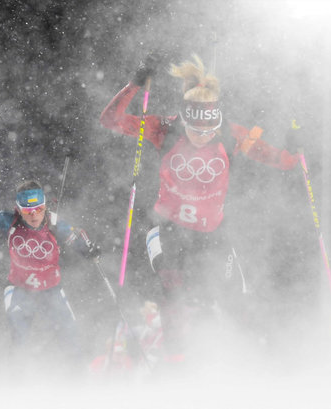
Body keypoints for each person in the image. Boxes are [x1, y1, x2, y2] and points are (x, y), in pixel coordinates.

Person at [100, 53, 301, 361]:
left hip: (212, 233)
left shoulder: (233, 135)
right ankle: (175, 362)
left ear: (217, 122)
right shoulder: (164, 128)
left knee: (232, 294)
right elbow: (110, 120)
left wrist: (296, 142)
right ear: (184, 118)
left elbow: (285, 162)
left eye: (209, 130)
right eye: (194, 128)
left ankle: (263, 354)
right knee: (173, 288)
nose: (201, 135)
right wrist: (135, 84)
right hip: (168, 229)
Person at [0, 178, 100, 365]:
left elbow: (80, 242)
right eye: (27, 211)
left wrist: (90, 250)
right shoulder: (9, 220)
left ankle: (77, 382)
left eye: (38, 209)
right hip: (19, 289)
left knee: (70, 336)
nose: (34, 216)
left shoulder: (55, 223)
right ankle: (18, 384)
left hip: (51, 289)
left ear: (45, 206)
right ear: (18, 209)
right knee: (19, 337)